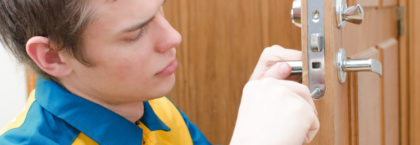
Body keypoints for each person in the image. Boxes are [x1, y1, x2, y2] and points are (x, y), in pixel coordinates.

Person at [0, 0, 319, 145]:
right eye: (136, 33)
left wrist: (264, 124)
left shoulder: (152, 108)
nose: (173, 37)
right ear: (52, 56)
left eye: (159, 9)